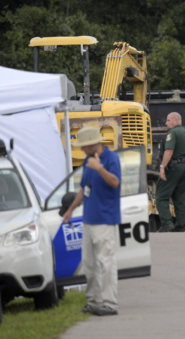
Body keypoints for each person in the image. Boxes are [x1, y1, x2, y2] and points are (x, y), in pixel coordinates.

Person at [62, 126, 121, 316]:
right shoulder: (88, 161)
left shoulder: (111, 159)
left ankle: (109, 303)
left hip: (104, 220)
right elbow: (83, 189)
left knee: (106, 262)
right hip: (88, 219)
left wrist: (99, 168)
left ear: (93, 144)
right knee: (89, 264)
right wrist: (70, 210)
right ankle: (94, 302)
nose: (81, 150)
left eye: (83, 146)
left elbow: (115, 182)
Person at [155, 112, 185, 232]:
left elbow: (169, 151)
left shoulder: (172, 133)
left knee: (161, 196)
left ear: (175, 121)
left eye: (168, 120)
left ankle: (166, 223)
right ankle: (180, 227)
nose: (166, 123)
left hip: (173, 168)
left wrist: (162, 167)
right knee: (180, 198)